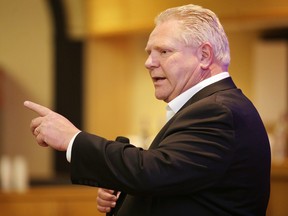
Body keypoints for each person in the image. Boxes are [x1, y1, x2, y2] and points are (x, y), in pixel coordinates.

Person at [24, 4, 271, 216]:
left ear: (205, 55)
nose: (149, 62)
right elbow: (176, 182)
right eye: (149, 53)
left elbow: (154, 171)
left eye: (164, 51)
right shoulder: (211, 107)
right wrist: (126, 194)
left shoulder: (218, 111)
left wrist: (73, 140)